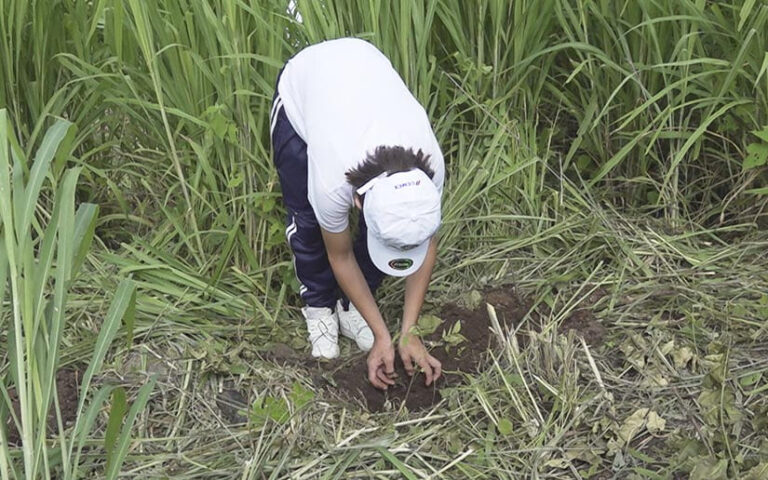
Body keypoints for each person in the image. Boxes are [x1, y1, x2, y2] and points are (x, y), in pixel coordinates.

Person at [270, 38, 444, 390]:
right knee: (307, 222)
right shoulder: (333, 182)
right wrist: (384, 335)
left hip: (363, 71)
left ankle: (351, 304)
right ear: (358, 202)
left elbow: (424, 243)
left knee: (386, 230)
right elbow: (340, 253)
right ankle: (318, 305)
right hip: (306, 89)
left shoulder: (431, 174)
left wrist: (407, 331)